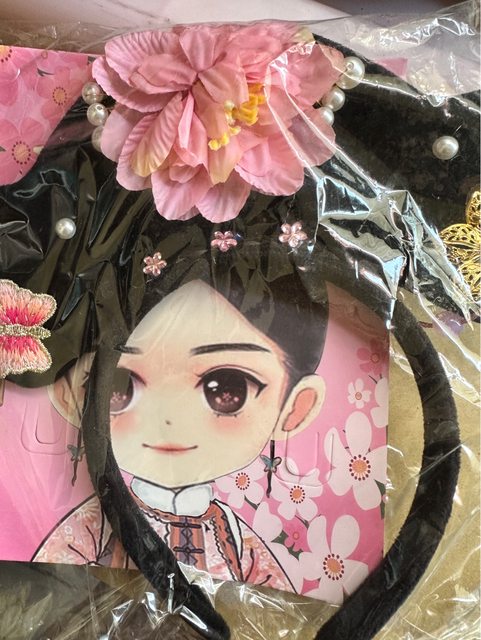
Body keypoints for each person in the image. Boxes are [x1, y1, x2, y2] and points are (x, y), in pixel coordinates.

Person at [32, 203, 329, 593]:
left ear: (295, 408)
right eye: (120, 385)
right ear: (72, 394)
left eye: (227, 389)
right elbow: (48, 581)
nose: (169, 417)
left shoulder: (232, 534)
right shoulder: (97, 520)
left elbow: (277, 599)